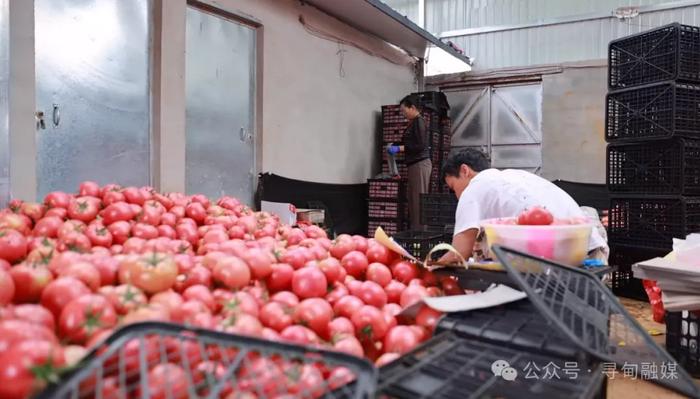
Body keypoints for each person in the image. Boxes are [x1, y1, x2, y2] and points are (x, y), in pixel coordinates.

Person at [437, 148, 609, 264]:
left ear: (465, 170)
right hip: (593, 252)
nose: (457, 196)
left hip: (558, 262)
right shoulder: (516, 176)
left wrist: (428, 268)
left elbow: (459, 253)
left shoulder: (474, 187)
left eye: (453, 188)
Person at [387, 95, 432, 230]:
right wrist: (393, 145)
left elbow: (419, 145)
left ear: (412, 108)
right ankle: (415, 230)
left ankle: (420, 234)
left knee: (418, 200)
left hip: (420, 164)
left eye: (404, 110)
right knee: (413, 201)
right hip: (414, 165)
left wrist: (399, 148)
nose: (403, 113)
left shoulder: (420, 122)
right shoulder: (412, 123)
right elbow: (409, 142)